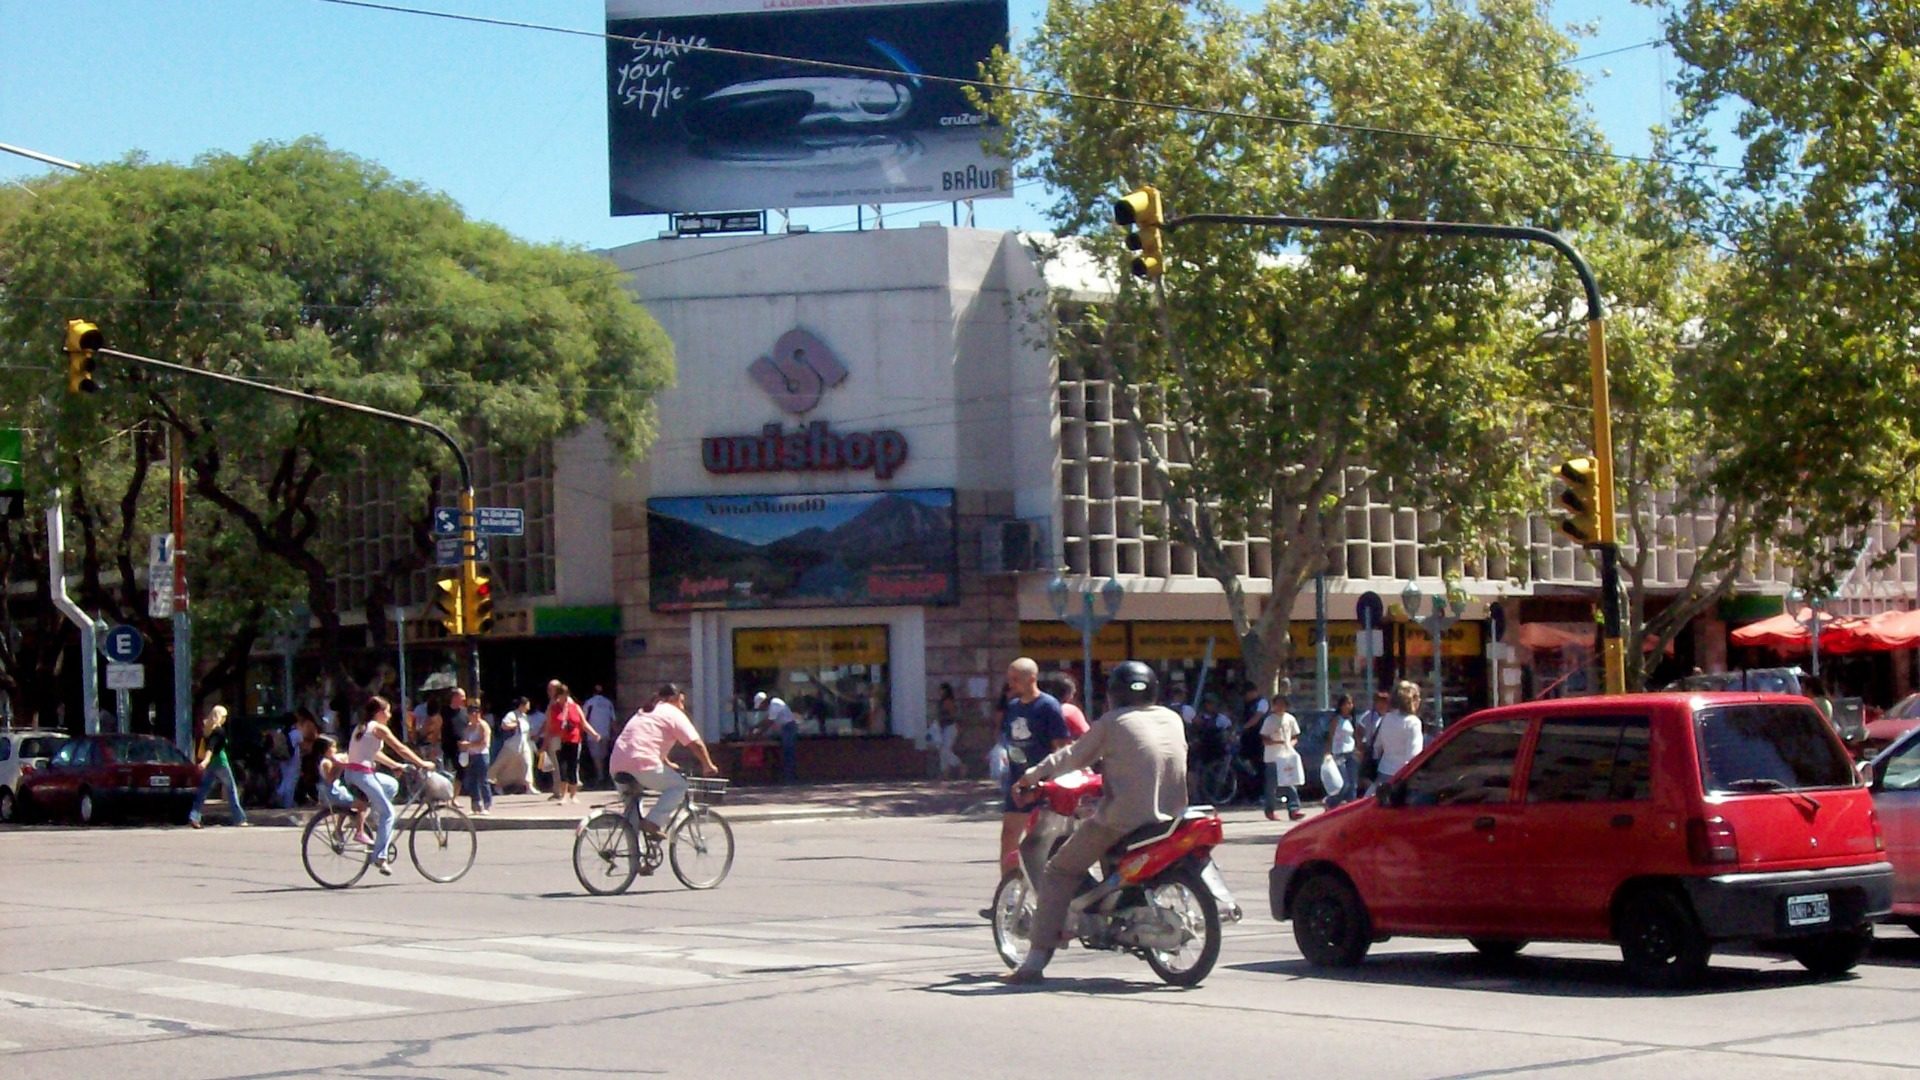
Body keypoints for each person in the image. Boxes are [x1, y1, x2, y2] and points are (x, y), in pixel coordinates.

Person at [1004, 660, 1189, 985]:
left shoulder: (1113, 722)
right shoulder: (1172, 718)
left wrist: (1029, 778)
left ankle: (1033, 963)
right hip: (1172, 817)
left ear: (1114, 693)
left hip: (1124, 820)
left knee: (1058, 871)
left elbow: (1070, 757)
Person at [609, 683, 718, 838]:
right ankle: (653, 822)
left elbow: (645, 740)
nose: (682, 706)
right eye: (681, 701)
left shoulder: (646, 711)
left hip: (617, 764)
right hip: (642, 764)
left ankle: (636, 858)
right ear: (674, 699)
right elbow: (696, 743)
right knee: (679, 786)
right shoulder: (673, 712)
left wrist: (667, 763)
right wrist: (708, 765)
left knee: (631, 817)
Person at [343, 695, 435, 875]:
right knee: (389, 813)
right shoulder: (379, 728)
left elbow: (375, 754)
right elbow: (401, 748)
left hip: (352, 773)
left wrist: (395, 765)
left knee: (392, 785)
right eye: (387, 711)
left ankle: (375, 817)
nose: (390, 715)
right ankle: (380, 856)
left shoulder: (362, 727)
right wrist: (421, 763)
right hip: (363, 776)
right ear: (379, 713)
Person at [998, 657, 1071, 870]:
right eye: (1009, 678)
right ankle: (1009, 891)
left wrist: (1049, 780)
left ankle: (1043, 890)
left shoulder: (1048, 706)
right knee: (1009, 834)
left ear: (1032, 678)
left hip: (1042, 783)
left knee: (1039, 841)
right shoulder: (1012, 707)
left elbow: (1061, 747)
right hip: (1017, 781)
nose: (1011, 684)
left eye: (1015, 679)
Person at [188, 705, 248, 829]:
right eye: (224, 716)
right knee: (231, 790)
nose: (225, 719)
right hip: (221, 763)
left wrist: (206, 762)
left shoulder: (207, 730)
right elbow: (211, 747)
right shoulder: (219, 731)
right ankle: (240, 818)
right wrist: (205, 760)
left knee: (203, 790)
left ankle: (194, 816)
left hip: (211, 765)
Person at [546, 682, 597, 804]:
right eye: (561, 695)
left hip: (574, 740)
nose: (563, 698)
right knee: (562, 768)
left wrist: (594, 733)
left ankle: (573, 795)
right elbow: (548, 726)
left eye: (565, 695)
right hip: (560, 740)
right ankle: (563, 796)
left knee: (572, 768)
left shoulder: (575, 707)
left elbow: (583, 723)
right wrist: (545, 742)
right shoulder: (553, 708)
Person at [1372, 681, 1426, 788]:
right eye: (1417, 697)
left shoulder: (1386, 718)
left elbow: (1377, 746)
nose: (1420, 701)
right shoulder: (1413, 722)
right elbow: (1414, 756)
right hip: (1402, 776)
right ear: (1411, 700)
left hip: (1384, 771)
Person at [1260, 694, 1304, 821]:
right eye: (1277, 704)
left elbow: (1295, 736)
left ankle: (1294, 809)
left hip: (1287, 756)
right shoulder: (1269, 720)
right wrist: (1275, 742)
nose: (1280, 707)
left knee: (1290, 782)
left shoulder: (1290, 719)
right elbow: (1264, 737)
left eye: (1283, 704)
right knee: (1272, 786)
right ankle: (1270, 810)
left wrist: (1290, 744)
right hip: (1272, 757)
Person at [490, 696, 536, 794]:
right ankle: (496, 783)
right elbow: (504, 725)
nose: (529, 707)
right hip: (511, 744)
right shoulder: (512, 714)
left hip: (524, 744)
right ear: (522, 705)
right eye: (527, 704)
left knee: (527, 763)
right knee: (502, 764)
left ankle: (529, 786)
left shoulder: (525, 716)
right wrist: (516, 724)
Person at [752, 691, 800, 782]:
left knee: (788, 752)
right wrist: (755, 727)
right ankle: (787, 776)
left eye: (761, 705)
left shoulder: (775, 705)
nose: (762, 708)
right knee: (785, 751)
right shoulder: (772, 705)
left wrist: (757, 733)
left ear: (764, 702)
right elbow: (766, 720)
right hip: (784, 728)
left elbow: (769, 722)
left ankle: (790, 778)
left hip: (789, 727)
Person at [1324, 693, 1359, 808]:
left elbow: (1353, 737)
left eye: (1350, 703)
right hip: (1339, 754)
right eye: (1346, 704)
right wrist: (1328, 753)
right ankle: (1330, 803)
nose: (1349, 706)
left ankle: (1351, 807)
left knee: (1353, 784)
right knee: (1344, 784)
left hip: (1351, 753)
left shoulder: (1350, 719)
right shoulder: (1336, 719)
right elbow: (1331, 736)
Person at [1355, 687, 1393, 791]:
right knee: (1367, 775)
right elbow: (1359, 729)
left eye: (1384, 702)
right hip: (1371, 750)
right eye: (1379, 702)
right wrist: (1360, 746)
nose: (1381, 705)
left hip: (1386, 750)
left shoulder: (1391, 717)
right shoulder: (1370, 716)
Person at [457, 704, 493, 815]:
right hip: (471, 755)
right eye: (472, 713)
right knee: (472, 782)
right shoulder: (468, 726)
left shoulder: (483, 725)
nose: (474, 715)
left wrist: (469, 744)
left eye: (476, 712)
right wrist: (463, 746)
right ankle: (475, 806)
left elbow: (484, 742)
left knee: (483, 780)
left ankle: (487, 805)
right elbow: (465, 739)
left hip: (481, 755)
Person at [581, 684, 617, 786]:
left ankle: (600, 776)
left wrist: (583, 733)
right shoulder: (608, 703)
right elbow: (613, 720)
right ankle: (604, 775)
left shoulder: (589, 703)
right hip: (605, 732)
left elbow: (583, 719)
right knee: (604, 755)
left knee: (596, 756)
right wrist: (615, 733)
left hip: (593, 734)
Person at [1042, 672, 1090, 739]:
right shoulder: (1071, 711)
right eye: (1073, 693)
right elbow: (1086, 735)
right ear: (1068, 694)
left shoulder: (1042, 709)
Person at [931, 682, 963, 780]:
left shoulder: (948, 701)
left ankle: (959, 765)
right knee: (943, 750)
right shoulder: (941, 701)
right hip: (943, 728)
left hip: (950, 727)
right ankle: (945, 772)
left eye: (941, 689)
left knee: (945, 750)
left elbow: (953, 714)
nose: (939, 692)